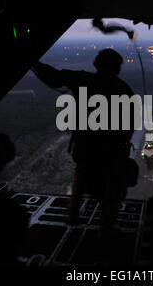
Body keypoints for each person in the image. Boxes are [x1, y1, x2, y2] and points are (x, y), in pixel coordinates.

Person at [32, 49, 135, 235]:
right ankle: (106, 229)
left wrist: (34, 64)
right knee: (110, 194)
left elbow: (54, 77)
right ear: (117, 67)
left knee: (80, 182)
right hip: (110, 154)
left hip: (86, 149)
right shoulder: (124, 90)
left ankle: (72, 219)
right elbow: (128, 128)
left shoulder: (84, 80)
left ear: (98, 65)